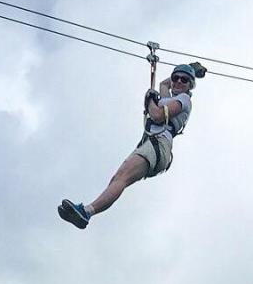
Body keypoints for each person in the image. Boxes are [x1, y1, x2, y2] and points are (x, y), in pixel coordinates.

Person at [57, 63, 199, 229]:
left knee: (121, 178)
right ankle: (86, 212)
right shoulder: (168, 95)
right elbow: (163, 84)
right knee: (118, 179)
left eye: (185, 80)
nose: (179, 82)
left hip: (159, 143)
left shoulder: (184, 99)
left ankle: (87, 212)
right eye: (176, 78)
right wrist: (190, 70)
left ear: (190, 85)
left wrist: (150, 101)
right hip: (153, 143)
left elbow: (158, 115)